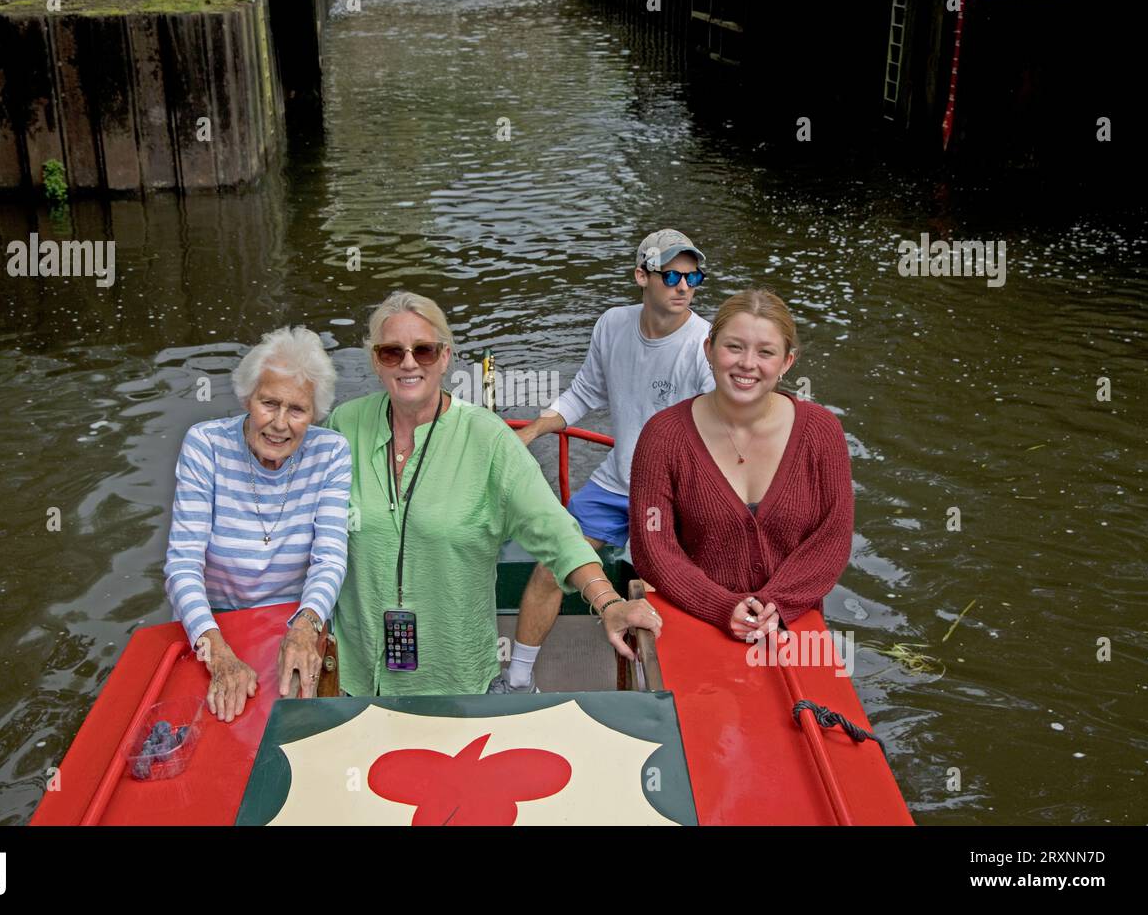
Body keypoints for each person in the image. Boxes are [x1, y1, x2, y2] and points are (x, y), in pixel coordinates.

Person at [325, 291, 662, 697]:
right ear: (376, 362)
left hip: (456, 678)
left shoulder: (489, 439)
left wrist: (610, 603)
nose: (409, 362)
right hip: (357, 673)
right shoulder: (344, 425)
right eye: (392, 352)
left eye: (425, 351)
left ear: (446, 357)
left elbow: (556, 533)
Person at [497, 229, 714, 692]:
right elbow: (585, 393)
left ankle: (661, 697)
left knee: (658, 591)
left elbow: (719, 434)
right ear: (642, 276)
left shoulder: (705, 347)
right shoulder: (613, 324)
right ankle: (516, 680)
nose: (684, 286)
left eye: (693, 275)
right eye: (672, 274)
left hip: (674, 494)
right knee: (552, 564)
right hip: (616, 482)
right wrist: (534, 430)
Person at [629, 288, 853, 640]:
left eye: (765, 352)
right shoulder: (663, 436)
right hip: (694, 625)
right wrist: (720, 605)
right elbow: (653, 545)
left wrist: (776, 604)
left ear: (786, 363)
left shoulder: (821, 432)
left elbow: (833, 537)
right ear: (709, 350)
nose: (747, 363)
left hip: (791, 630)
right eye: (734, 347)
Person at [163, 326, 351, 722]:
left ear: (314, 414)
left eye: (297, 410)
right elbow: (183, 566)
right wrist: (216, 651)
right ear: (248, 397)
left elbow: (329, 559)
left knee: (295, 733)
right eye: (269, 403)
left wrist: (306, 625)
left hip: (293, 620)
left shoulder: (331, 453)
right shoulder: (205, 446)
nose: (280, 423)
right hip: (215, 624)